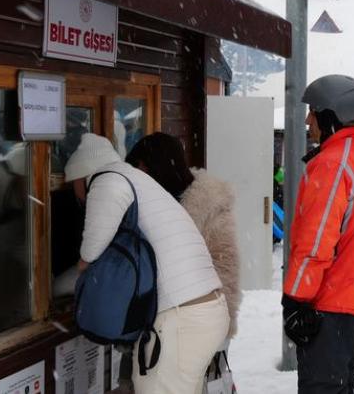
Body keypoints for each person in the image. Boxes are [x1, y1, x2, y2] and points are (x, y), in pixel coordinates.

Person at [67, 133, 228, 393]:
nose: (74, 193)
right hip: (203, 310)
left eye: (71, 182)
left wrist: (78, 272)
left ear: (80, 173)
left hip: (182, 319)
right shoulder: (136, 179)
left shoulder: (109, 180)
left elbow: (92, 249)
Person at [280, 76, 354, 393]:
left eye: (313, 111)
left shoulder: (333, 163)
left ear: (331, 114)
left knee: (323, 387)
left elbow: (316, 241)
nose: (307, 120)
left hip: (329, 301)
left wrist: (296, 298)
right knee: (342, 383)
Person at [126, 133, 242, 341]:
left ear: (152, 167)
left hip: (194, 328)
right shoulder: (151, 200)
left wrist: (220, 330)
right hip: (159, 326)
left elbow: (226, 271)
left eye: (138, 168)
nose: (135, 176)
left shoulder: (210, 209)